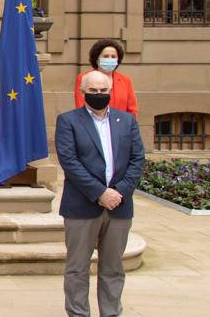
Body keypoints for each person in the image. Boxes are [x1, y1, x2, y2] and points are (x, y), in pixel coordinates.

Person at [56, 70, 146, 317]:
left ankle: (111, 312)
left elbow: (138, 159)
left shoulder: (126, 121)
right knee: (77, 268)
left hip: (119, 206)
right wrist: (99, 193)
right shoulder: (68, 121)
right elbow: (69, 161)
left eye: (103, 91)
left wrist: (119, 192)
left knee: (113, 268)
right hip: (82, 206)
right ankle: (78, 313)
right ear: (83, 92)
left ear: (110, 92)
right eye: (93, 91)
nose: (99, 95)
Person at [74, 38, 138, 118]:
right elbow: (81, 107)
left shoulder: (125, 80)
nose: (110, 59)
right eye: (106, 56)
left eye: (113, 56)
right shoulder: (84, 78)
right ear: (97, 59)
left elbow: (132, 110)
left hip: (121, 126)